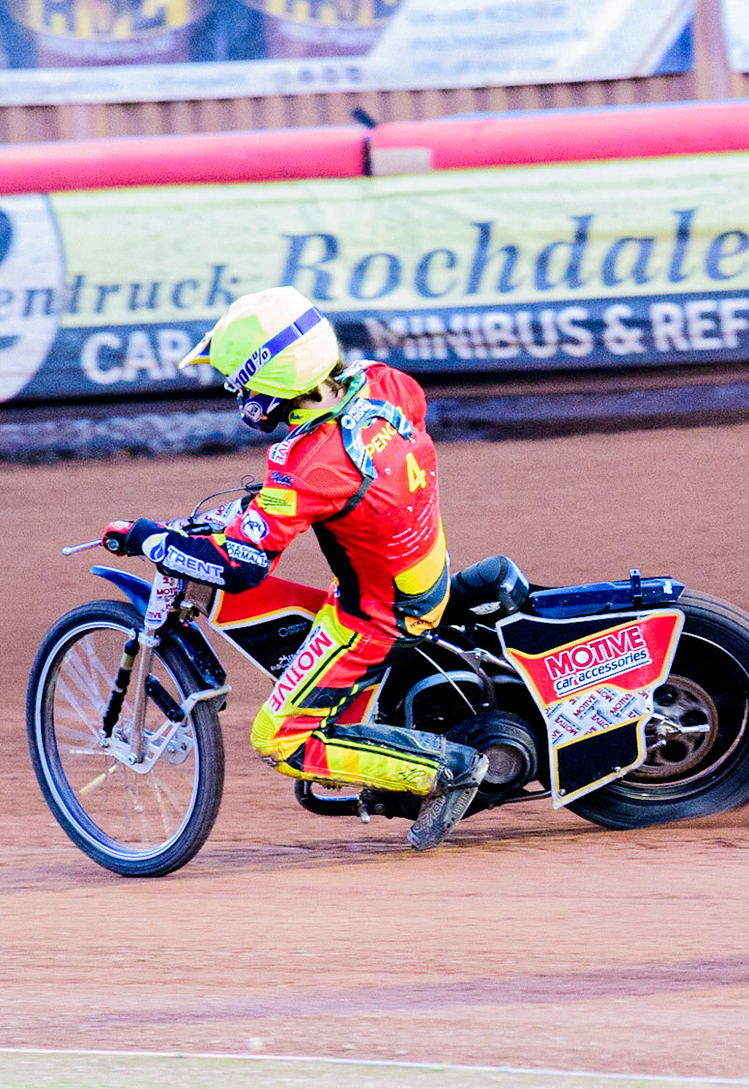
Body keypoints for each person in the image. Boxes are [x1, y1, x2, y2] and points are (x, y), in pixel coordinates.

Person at [99, 286, 486, 850]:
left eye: (241, 384)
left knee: (279, 738)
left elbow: (238, 567)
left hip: (375, 614)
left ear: (269, 384)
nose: (239, 396)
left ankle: (448, 770)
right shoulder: (386, 383)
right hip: (421, 565)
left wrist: (152, 541)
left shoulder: (306, 464)